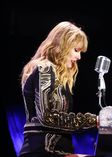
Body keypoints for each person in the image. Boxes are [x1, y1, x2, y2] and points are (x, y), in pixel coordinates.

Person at [18, 21, 98, 157]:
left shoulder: (56, 74)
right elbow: (47, 117)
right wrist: (93, 120)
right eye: (76, 50)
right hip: (42, 151)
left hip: (54, 151)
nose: (79, 57)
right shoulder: (45, 68)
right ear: (62, 46)